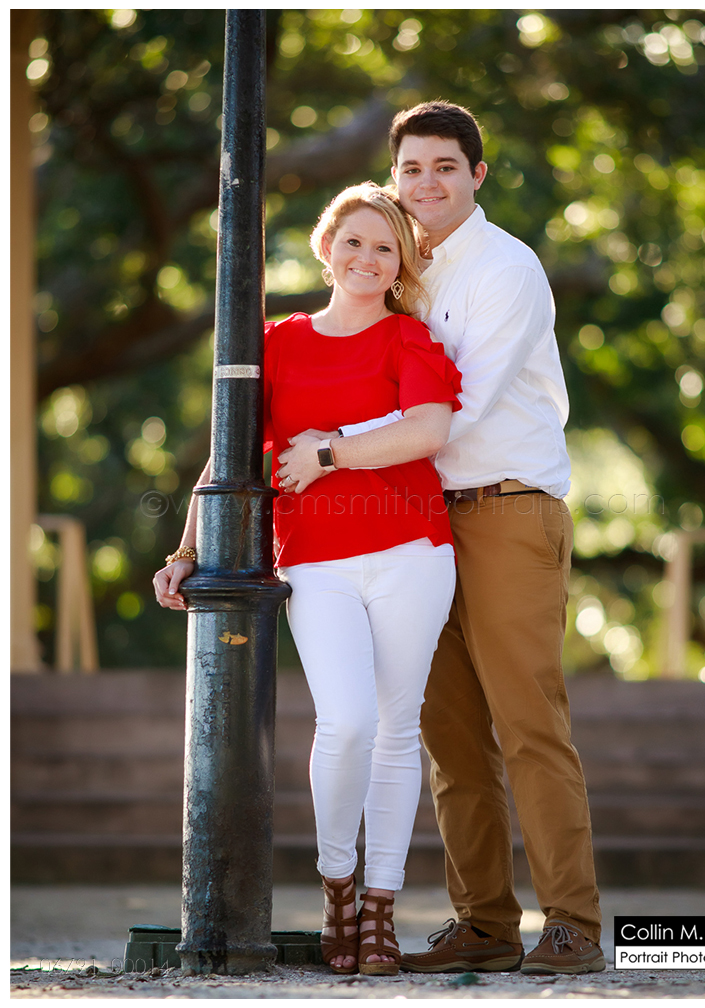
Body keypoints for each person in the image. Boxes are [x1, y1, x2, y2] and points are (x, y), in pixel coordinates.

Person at [277, 101, 605, 976]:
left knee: (527, 721)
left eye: (445, 167)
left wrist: (330, 448)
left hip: (503, 509)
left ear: (476, 176)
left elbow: (453, 414)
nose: (427, 183)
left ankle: (572, 923)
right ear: (394, 178)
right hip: (415, 527)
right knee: (446, 734)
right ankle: (485, 922)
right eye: (412, 168)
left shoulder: (506, 269)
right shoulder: (396, 269)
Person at [153, 182, 463, 977]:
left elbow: (428, 429)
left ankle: (381, 909)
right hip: (314, 560)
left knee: (397, 731)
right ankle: (338, 886)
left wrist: (327, 452)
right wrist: (185, 551)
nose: (367, 258)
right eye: (353, 241)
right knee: (348, 722)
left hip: (412, 551)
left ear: (400, 265)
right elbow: (227, 454)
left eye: (385, 248)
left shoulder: (408, 339)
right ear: (326, 248)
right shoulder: (278, 344)